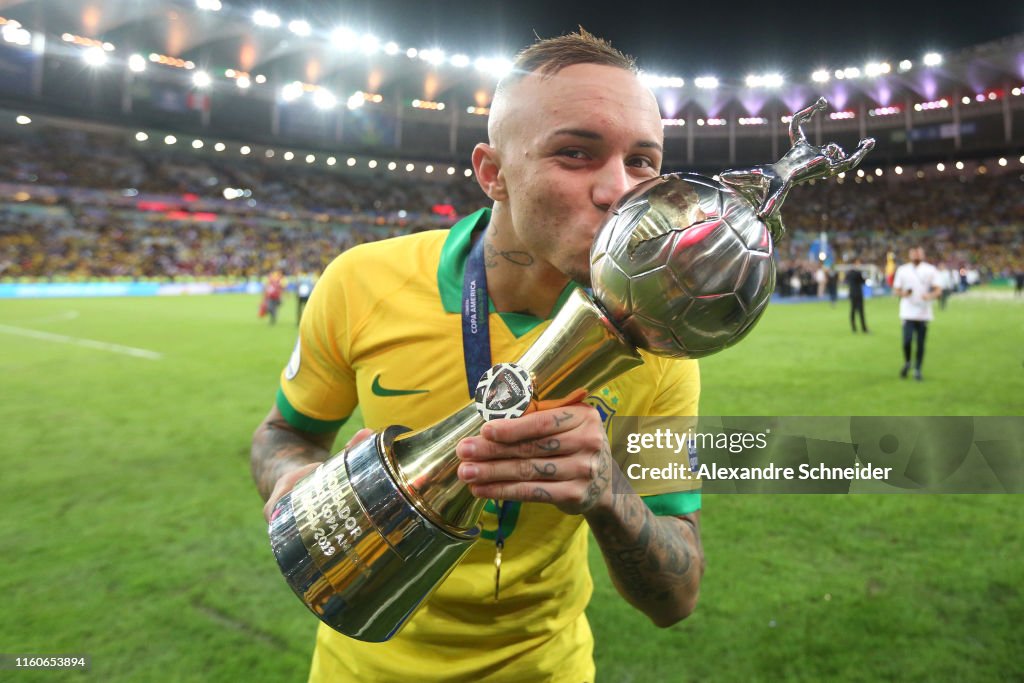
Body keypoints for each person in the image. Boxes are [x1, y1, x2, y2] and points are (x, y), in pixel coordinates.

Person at [251, 31, 704, 683]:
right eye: (576, 153)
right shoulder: (361, 282)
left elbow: (678, 597)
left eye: (642, 161)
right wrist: (294, 481)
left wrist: (609, 492)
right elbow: (284, 432)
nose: (619, 189)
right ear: (492, 172)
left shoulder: (656, 342)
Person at [892, 247, 942, 381]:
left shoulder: (930, 270)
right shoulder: (903, 270)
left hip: (923, 312)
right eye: (914, 252)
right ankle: (908, 361)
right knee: (907, 341)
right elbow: (896, 289)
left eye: (919, 252)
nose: (916, 255)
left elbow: (938, 289)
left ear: (923, 254)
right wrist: (904, 294)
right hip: (907, 312)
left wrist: (930, 295)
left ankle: (918, 369)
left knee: (920, 343)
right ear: (910, 254)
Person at [846, 259, 868, 333]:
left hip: (852, 293)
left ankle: (854, 328)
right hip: (858, 293)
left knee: (853, 311)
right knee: (860, 311)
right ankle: (863, 328)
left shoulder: (849, 273)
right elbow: (863, 281)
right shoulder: (858, 273)